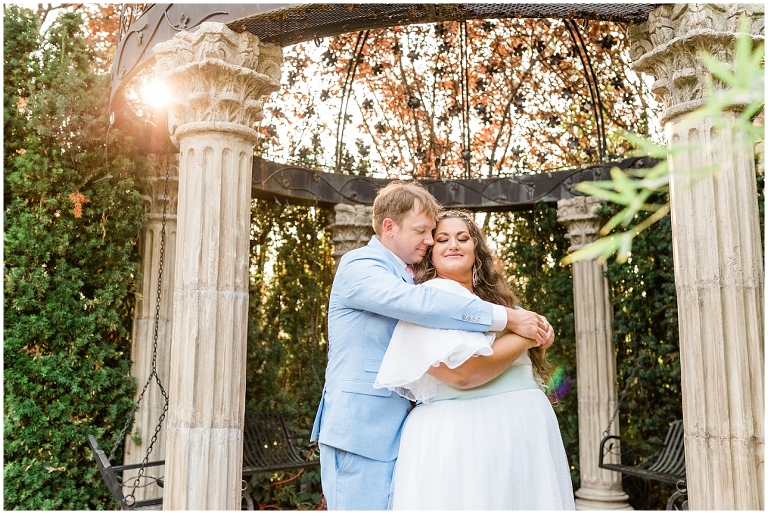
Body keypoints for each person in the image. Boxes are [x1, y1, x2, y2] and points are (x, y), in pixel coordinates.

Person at [310, 182, 555, 510]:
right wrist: (510, 319)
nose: (429, 240)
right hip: (361, 429)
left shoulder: (408, 277)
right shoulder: (360, 265)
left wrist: (522, 320)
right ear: (389, 227)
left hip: (401, 429)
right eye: (423, 231)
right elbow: (420, 303)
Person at [374, 209, 574, 510]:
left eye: (462, 238)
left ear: (476, 250)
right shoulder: (429, 297)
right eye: (442, 239)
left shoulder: (502, 305)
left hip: (525, 429)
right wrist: (528, 334)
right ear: (430, 252)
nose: (453, 244)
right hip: (465, 433)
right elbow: (463, 374)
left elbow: (526, 357)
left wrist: (538, 333)